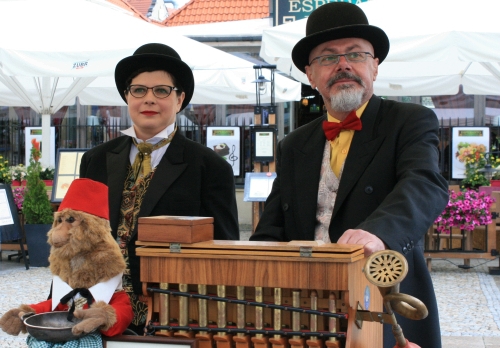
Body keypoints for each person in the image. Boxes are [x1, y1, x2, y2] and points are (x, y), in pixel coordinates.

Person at [250, 3, 448, 348]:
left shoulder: (410, 121)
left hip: (383, 296)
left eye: (355, 54)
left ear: (375, 65)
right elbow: (273, 225)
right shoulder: (294, 143)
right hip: (308, 303)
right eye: (328, 57)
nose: (343, 64)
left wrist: (378, 233)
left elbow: (423, 182)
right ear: (310, 75)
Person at [80, 43, 240, 334]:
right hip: (100, 312)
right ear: (127, 98)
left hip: (173, 313)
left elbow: (223, 253)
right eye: (138, 90)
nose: (148, 99)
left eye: (161, 91)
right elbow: (78, 239)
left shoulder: (210, 167)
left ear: (179, 100)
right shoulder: (96, 160)